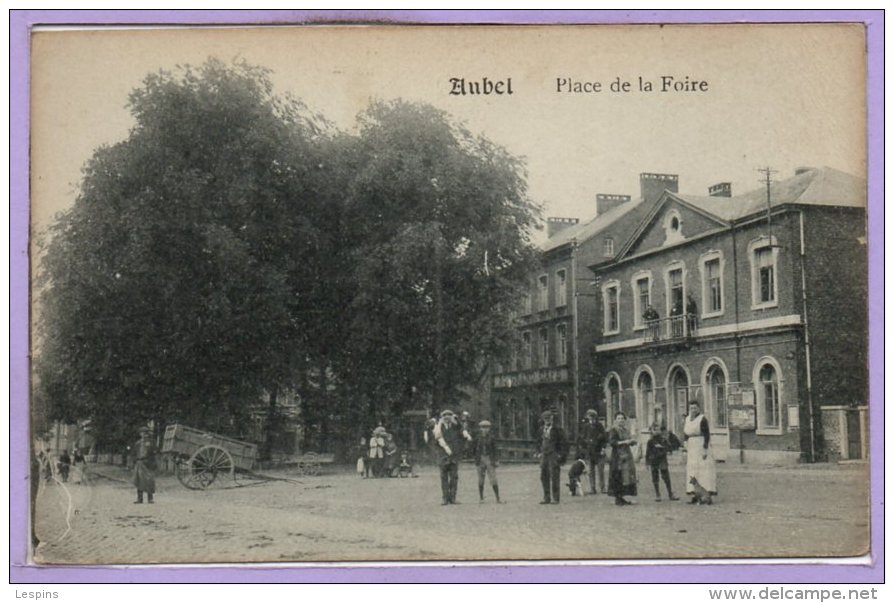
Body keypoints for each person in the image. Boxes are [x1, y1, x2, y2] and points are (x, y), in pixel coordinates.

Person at [683, 401, 717, 505]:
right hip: (691, 446)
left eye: (695, 408)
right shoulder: (687, 419)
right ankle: (695, 494)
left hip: (700, 444)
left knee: (703, 471)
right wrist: (685, 445)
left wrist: (705, 449)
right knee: (692, 470)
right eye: (691, 408)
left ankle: (706, 495)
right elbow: (685, 434)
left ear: (699, 408)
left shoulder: (702, 419)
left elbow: (707, 435)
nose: (693, 410)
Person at [433, 409, 471, 505]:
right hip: (443, 456)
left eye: (449, 415)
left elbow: (463, 435)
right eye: (445, 415)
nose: (447, 417)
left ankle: (453, 498)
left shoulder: (456, 427)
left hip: (454, 455)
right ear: (442, 417)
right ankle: (445, 498)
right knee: (444, 477)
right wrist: (442, 451)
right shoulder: (438, 428)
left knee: (454, 477)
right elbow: (435, 442)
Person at [537, 409, 568, 505]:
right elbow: (538, 442)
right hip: (544, 455)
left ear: (552, 418)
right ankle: (546, 497)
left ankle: (556, 498)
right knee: (543, 476)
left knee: (554, 476)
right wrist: (538, 452)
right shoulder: (541, 430)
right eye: (545, 418)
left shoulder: (558, 429)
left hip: (553, 454)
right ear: (543, 419)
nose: (547, 420)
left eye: (549, 418)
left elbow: (564, 443)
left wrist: (561, 455)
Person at [607, 411, 638, 506]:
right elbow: (613, 442)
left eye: (622, 418)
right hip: (617, 456)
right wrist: (625, 442)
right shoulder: (614, 430)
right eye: (618, 418)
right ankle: (617, 497)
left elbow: (628, 440)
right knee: (618, 475)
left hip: (626, 454)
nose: (621, 420)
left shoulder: (625, 430)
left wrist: (632, 442)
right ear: (615, 420)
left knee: (626, 475)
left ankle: (622, 496)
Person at [645, 423, 681, 502]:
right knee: (655, 477)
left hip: (662, 460)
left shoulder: (663, 439)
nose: (656, 431)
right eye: (654, 430)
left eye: (658, 429)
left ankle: (670, 494)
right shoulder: (650, 441)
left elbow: (670, 447)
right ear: (651, 431)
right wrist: (647, 462)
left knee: (666, 477)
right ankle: (657, 494)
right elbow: (647, 452)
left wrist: (662, 447)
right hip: (653, 460)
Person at [471, 420, 502, 504]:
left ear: (489, 429)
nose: (485, 429)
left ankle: (497, 498)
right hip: (480, 459)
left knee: (493, 478)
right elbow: (473, 448)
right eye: (483, 427)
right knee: (481, 479)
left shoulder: (492, 438)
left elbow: (495, 449)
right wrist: (476, 458)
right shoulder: (477, 438)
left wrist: (496, 460)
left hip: (489, 458)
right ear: (480, 428)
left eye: (486, 428)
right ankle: (481, 498)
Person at [577, 409, 607, 494]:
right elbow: (582, 438)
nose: (592, 419)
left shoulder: (600, 426)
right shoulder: (585, 427)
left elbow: (604, 438)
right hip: (590, 452)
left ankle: (602, 487)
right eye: (590, 417)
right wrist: (585, 447)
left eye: (593, 417)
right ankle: (592, 488)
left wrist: (603, 448)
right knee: (591, 471)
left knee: (601, 471)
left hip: (599, 451)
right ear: (587, 417)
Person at [132, 427, 157, 504]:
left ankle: (150, 498)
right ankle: (140, 499)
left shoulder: (151, 442)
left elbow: (154, 452)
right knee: (139, 480)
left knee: (149, 480)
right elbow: (134, 453)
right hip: (139, 463)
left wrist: (153, 462)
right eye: (142, 433)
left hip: (148, 463)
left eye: (145, 433)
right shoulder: (138, 443)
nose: (143, 434)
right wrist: (134, 462)